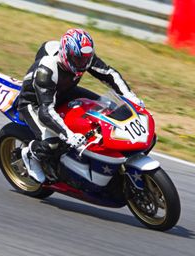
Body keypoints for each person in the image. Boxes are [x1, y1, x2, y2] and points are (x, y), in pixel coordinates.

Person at [17, 28, 144, 183]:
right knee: (54, 142)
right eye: (78, 60)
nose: (82, 64)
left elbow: (110, 75)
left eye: (85, 59)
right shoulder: (47, 69)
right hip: (35, 103)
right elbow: (46, 111)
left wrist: (131, 98)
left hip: (64, 92)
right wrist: (69, 135)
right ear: (65, 54)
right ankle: (30, 155)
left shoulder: (85, 58)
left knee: (109, 107)